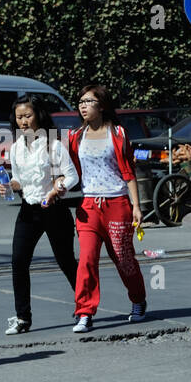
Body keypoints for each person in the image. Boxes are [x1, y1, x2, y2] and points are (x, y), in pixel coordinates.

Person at [67, 83, 146, 333]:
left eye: (88, 101)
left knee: (123, 259)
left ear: (101, 105)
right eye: (80, 102)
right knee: (87, 259)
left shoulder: (118, 133)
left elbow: (128, 172)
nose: (83, 106)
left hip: (117, 205)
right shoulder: (75, 137)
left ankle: (138, 300)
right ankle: (85, 312)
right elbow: (70, 170)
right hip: (89, 205)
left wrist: (136, 206)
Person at [0, 94, 79, 334]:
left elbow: (72, 176)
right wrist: (8, 186)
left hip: (53, 209)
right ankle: (23, 318)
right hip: (28, 209)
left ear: (39, 116)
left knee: (65, 260)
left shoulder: (54, 145)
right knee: (18, 262)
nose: (23, 121)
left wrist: (57, 190)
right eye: (19, 117)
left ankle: (84, 307)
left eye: (28, 116)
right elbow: (18, 180)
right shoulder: (15, 148)